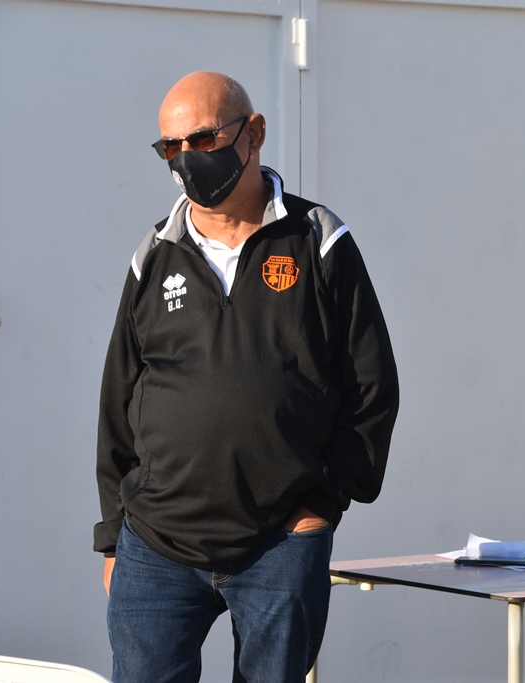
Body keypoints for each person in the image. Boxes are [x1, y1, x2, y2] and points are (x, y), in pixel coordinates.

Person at [93, 71, 399, 683]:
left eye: (203, 139)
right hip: (156, 547)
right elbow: (119, 399)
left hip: (278, 545)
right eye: (170, 147)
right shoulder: (154, 254)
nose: (186, 158)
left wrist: (320, 505)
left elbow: (372, 388)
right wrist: (113, 535)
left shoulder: (318, 241)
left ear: (253, 133)